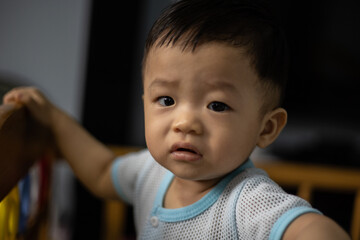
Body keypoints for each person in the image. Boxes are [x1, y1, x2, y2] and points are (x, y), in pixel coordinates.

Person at [3, 0, 350, 239]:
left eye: (216, 105)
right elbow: (100, 171)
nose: (185, 122)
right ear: (145, 103)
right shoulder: (150, 173)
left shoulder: (248, 200)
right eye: (166, 100)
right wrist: (54, 118)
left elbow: (306, 227)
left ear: (267, 127)